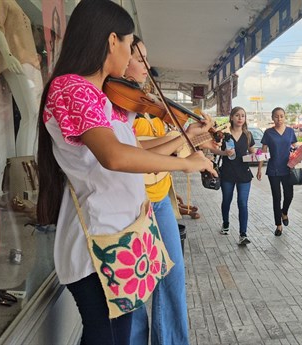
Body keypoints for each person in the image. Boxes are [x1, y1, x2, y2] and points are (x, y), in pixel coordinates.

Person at [35, 1, 215, 344]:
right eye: (131, 46)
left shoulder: (99, 98)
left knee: (119, 333)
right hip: (99, 244)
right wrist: (186, 163)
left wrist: (184, 137)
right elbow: (115, 157)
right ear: (111, 40)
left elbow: (134, 150)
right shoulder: (70, 88)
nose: (135, 56)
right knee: (110, 336)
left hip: (120, 237)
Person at [126, 35, 201, 345]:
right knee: (136, 285)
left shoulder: (146, 105)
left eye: (147, 58)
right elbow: (134, 152)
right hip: (135, 203)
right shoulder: (119, 106)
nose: (147, 65)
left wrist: (191, 139)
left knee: (173, 275)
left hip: (159, 200)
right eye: (139, 58)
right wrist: (183, 144)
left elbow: (172, 154)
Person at [0, 0, 43, 156]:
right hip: (18, 62)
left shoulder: (15, 4)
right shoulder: (2, 1)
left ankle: (31, 162)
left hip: (31, 64)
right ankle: (25, 163)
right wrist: (8, 56)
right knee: (30, 114)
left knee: (34, 116)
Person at [209, 107, 255, 245]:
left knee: (243, 203)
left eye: (243, 116)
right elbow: (211, 149)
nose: (240, 118)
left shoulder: (248, 135)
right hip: (227, 173)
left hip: (244, 174)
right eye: (237, 115)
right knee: (227, 200)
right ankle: (226, 224)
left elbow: (253, 151)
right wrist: (224, 153)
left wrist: (258, 155)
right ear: (231, 118)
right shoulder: (223, 135)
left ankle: (243, 234)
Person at [256, 107, 298, 236]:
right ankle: (278, 225)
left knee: (289, 195)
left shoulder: (290, 132)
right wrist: (259, 169)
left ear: (284, 117)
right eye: (276, 116)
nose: (279, 119)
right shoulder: (268, 133)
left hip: (287, 169)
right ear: (272, 118)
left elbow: (295, 149)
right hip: (273, 169)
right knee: (276, 198)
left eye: (281, 116)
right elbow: (262, 152)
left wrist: (299, 156)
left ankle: (284, 212)